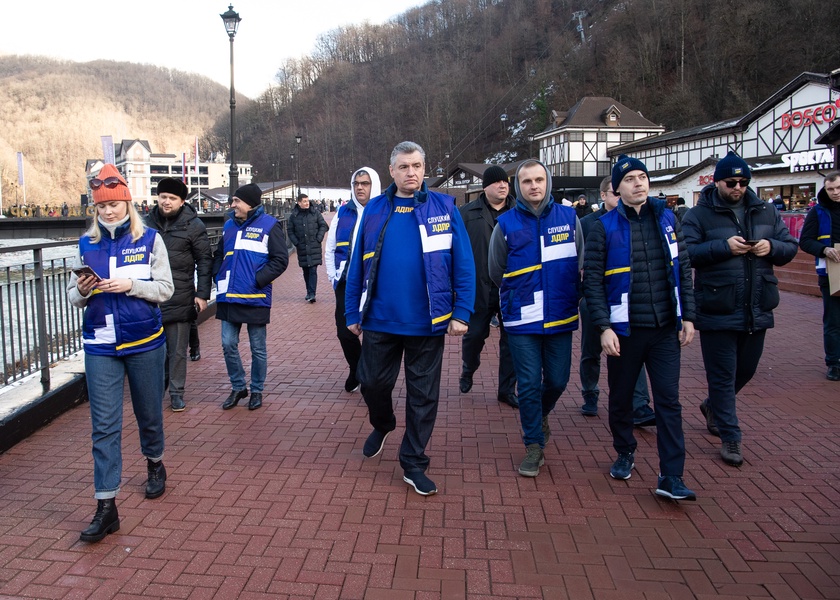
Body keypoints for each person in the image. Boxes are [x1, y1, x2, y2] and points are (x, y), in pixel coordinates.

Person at [345, 141, 475, 496]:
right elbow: (357, 265)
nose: (411, 172)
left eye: (417, 165)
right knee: (371, 382)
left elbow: (464, 263)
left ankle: (413, 461)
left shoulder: (444, 208)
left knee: (423, 396)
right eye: (404, 167)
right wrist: (350, 311)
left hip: (428, 321)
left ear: (424, 168)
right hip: (379, 319)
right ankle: (383, 422)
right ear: (391, 171)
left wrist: (462, 312)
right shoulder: (374, 209)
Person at [68, 164, 174, 542]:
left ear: (127, 203)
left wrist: (131, 284)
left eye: (115, 204)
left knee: (148, 411)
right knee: (104, 427)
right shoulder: (86, 243)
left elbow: (165, 289)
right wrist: (82, 290)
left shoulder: (149, 240)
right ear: (95, 209)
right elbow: (73, 297)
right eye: (102, 206)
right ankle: (106, 506)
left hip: (144, 340)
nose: (109, 211)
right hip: (100, 344)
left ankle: (155, 463)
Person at [583, 155, 697, 501]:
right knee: (620, 400)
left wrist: (688, 316)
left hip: (664, 329)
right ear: (616, 187)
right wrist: (603, 327)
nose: (639, 183)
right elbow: (593, 282)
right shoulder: (603, 227)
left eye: (643, 177)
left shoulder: (667, 218)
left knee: (669, 402)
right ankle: (624, 449)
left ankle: (671, 475)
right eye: (630, 178)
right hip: (624, 331)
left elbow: (684, 270)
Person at [682, 151, 798, 466]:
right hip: (717, 306)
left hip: (757, 305)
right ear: (717, 181)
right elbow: (687, 253)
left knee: (746, 369)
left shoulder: (764, 211)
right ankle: (731, 437)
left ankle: (713, 407)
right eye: (731, 182)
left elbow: (790, 247)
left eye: (743, 182)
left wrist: (771, 247)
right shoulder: (698, 214)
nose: (738, 187)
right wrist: (724, 247)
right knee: (722, 375)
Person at [488, 160, 583, 477]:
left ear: (548, 182)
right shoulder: (506, 224)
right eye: (527, 181)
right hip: (521, 318)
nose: (534, 186)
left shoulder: (570, 218)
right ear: (519, 186)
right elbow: (495, 271)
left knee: (557, 380)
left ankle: (541, 413)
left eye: (539, 179)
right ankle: (533, 446)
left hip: (560, 313)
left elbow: (578, 260)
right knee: (527, 384)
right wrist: (517, 294)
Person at [578, 176, 654, 425]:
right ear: (603, 195)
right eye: (615, 192)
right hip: (593, 298)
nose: (620, 197)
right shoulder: (588, 223)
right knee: (591, 350)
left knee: (633, 350)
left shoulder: (638, 222)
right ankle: (590, 393)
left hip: (627, 300)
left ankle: (640, 404)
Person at [213, 183, 289, 411]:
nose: (232, 204)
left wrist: (257, 280)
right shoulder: (228, 226)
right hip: (229, 296)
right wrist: (219, 275)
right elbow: (218, 255)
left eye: (237, 201)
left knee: (258, 348)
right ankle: (238, 386)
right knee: (228, 344)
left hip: (255, 297)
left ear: (250, 203)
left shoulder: (270, 225)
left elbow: (280, 260)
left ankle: (256, 390)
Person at [144, 178, 212, 412]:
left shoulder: (193, 226)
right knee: (152, 350)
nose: (166, 201)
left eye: (172, 198)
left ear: (182, 201)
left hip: (180, 294)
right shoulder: (145, 224)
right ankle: (156, 391)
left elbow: (204, 260)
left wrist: (202, 294)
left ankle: (176, 393)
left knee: (177, 350)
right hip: (149, 297)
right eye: (163, 197)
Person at [458, 165, 518, 409]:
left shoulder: (519, 212)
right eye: (497, 182)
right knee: (473, 336)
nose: (503, 185)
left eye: (506, 181)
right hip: (479, 288)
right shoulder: (466, 213)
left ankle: (506, 389)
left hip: (511, 288)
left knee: (511, 341)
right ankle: (468, 369)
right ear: (485, 186)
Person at [325, 167, 382, 393]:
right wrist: (333, 277)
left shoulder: (383, 211)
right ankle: (356, 368)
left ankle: (369, 376)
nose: (360, 187)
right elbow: (330, 248)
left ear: (374, 185)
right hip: (346, 281)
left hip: (374, 282)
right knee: (344, 331)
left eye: (365, 183)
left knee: (372, 332)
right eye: (356, 183)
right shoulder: (343, 212)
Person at [799, 170, 840, 382]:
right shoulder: (818, 212)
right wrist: (824, 250)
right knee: (833, 320)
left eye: (838, 188)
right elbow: (805, 240)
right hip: (831, 272)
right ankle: (834, 363)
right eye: (830, 189)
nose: (835, 192)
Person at [288, 193, 328, 303]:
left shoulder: (315, 213)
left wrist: (319, 238)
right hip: (302, 247)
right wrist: (296, 243)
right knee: (306, 270)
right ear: (299, 202)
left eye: (307, 201)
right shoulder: (294, 216)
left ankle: (312, 293)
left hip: (314, 246)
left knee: (313, 270)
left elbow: (323, 225)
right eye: (304, 201)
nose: (307, 203)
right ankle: (308, 291)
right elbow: (290, 230)